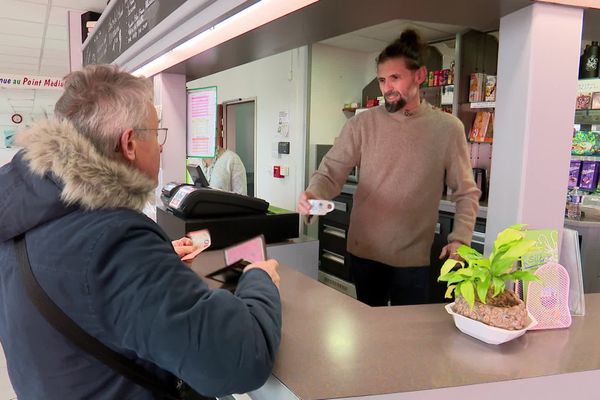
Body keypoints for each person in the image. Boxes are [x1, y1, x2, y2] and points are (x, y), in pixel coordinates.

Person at [0, 64, 281, 399]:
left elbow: (82, 291)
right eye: (156, 133)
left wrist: (157, 264)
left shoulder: (21, 214)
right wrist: (257, 279)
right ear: (129, 143)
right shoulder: (114, 241)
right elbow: (238, 361)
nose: (161, 147)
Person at [298, 29, 480, 307]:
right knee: (368, 333)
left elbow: (466, 193)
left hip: (412, 259)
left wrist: (460, 239)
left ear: (419, 76)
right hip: (365, 252)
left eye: (395, 78)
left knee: (405, 339)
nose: (387, 88)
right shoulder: (361, 124)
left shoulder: (446, 129)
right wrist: (313, 195)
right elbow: (330, 172)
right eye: (382, 80)